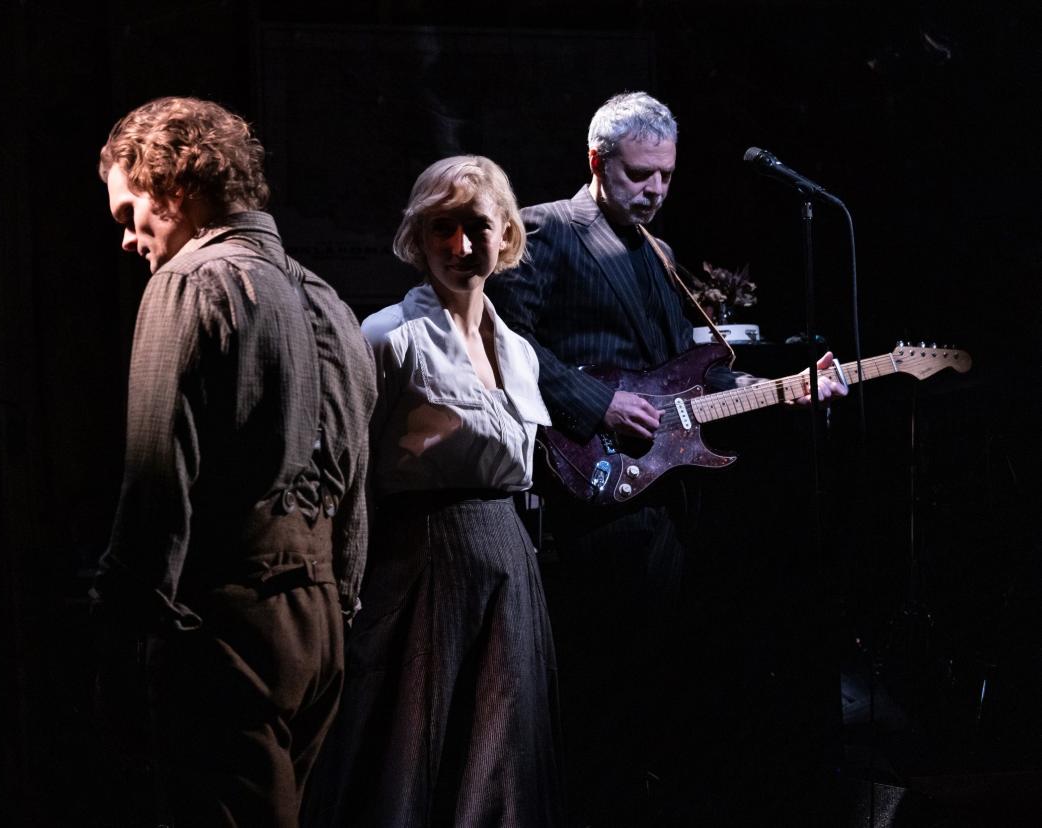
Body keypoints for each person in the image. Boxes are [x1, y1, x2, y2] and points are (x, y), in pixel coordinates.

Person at [485, 91, 846, 825]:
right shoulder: (546, 232)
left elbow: (686, 368)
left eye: (666, 177)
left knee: (655, 689)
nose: (653, 190)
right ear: (597, 162)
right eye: (639, 174)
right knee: (597, 690)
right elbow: (502, 345)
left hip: (661, 499)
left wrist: (776, 391)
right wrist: (594, 403)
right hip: (587, 486)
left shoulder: (660, 253)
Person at [90, 96, 376, 828]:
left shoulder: (189, 282)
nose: (126, 239)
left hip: (227, 622)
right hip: (320, 629)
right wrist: (336, 606)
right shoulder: (331, 302)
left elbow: (158, 476)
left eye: (130, 214)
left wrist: (125, 619)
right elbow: (353, 488)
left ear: (175, 184)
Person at [303, 156, 563, 827]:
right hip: (420, 570)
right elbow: (346, 470)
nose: (459, 246)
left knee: (501, 757)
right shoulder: (390, 336)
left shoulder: (521, 353)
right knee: (415, 759)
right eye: (440, 228)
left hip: (508, 568)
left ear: (505, 233)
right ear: (417, 238)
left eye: (475, 226)